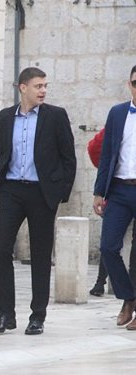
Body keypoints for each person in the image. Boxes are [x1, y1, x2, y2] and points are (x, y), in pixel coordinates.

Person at [0, 67, 76, 336]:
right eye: (38, 86)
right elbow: (3, 152)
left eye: (45, 86)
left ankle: (38, 316)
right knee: (1, 248)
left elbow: (68, 157)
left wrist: (60, 193)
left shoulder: (56, 116)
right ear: (22, 88)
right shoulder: (5, 117)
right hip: (12, 190)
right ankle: (5, 315)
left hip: (42, 193)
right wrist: (1, 184)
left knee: (40, 254)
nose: (43, 91)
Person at [93, 65, 136, 330]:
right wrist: (99, 192)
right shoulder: (118, 113)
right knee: (108, 247)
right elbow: (107, 154)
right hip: (119, 189)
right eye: (135, 82)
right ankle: (128, 298)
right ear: (129, 84)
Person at [87, 128, 136, 297]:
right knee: (109, 244)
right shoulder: (121, 120)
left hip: (119, 192)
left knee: (112, 243)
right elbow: (95, 148)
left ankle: (103, 283)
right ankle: (121, 290)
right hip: (119, 193)